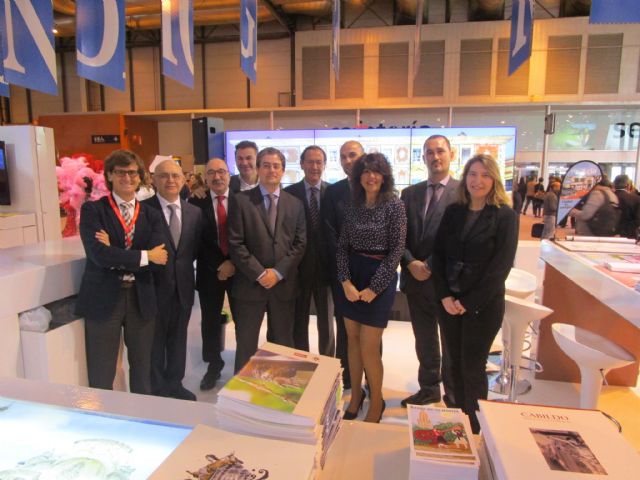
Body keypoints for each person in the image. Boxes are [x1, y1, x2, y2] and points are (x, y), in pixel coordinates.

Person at [431, 154, 518, 433]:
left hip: (482, 306)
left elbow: (500, 267)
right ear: (465, 177)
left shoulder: (505, 216)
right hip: (449, 302)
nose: (477, 180)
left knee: (472, 367)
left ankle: (476, 427)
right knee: (453, 365)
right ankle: (456, 421)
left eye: (484, 175)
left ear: (494, 180)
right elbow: (438, 255)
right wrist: (445, 296)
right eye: (472, 174)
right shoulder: (454, 211)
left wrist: (468, 302)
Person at [76, 149, 168, 394]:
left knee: (142, 368)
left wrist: (114, 251)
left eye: (133, 173)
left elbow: (160, 258)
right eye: (120, 172)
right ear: (109, 175)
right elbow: (99, 255)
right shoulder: (93, 211)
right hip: (104, 297)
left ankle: (140, 414)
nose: (127, 177)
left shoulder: (152, 214)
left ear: (140, 176)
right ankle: (104, 415)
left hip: (141, 297)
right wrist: (145, 255)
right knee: (101, 372)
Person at [336, 153, 407, 423]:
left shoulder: (395, 205)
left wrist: (374, 289)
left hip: (380, 278)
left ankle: (377, 401)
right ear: (359, 177)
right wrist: (345, 281)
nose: (371, 176)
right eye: (365, 171)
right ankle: (356, 397)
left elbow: (396, 251)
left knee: (369, 347)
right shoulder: (352, 205)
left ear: (384, 176)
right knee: (352, 343)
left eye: (376, 171)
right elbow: (342, 247)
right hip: (352, 278)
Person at [228, 147, 307, 372]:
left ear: (283, 170)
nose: (271, 170)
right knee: (246, 343)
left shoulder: (295, 203)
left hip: (284, 285)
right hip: (250, 284)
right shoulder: (241, 201)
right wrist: (261, 273)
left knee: (282, 341)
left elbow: (300, 243)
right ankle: (242, 389)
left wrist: (278, 272)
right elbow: (236, 243)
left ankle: (281, 386)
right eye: (266, 165)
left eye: (276, 166)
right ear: (258, 168)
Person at [400, 135, 459, 408]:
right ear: (423, 157)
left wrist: (430, 265)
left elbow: (461, 239)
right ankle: (429, 388)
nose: (435, 157)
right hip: (415, 282)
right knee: (424, 340)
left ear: (451, 155)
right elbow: (399, 236)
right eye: (430, 152)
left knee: (451, 342)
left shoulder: (463, 192)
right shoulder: (409, 194)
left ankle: (454, 395)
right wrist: (411, 262)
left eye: (440, 151)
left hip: (448, 283)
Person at [143, 160, 203, 400]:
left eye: (176, 176)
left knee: (178, 339)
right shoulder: (143, 210)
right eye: (164, 176)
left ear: (183, 179)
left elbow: (194, 250)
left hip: (183, 288)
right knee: (155, 342)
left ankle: (175, 384)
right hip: (153, 289)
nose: (170, 180)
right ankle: (157, 388)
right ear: (153, 180)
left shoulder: (194, 213)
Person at [189, 158, 236, 390]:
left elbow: (249, 236)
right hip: (209, 272)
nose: (217, 177)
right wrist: (220, 264)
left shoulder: (242, 199)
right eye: (211, 173)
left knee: (244, 321)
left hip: (239, 271)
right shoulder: (195, 202)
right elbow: (196, 239)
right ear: (205, 177)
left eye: (221, 172)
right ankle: (213, 365)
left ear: (229, 175)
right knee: (209, 321)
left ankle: (243, 366)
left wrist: (232, 262)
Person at [284, 146, 335, 355]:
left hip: (326, 270)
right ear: (302, 164)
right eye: (310, 162)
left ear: (324, 165)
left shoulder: (333, 192)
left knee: (327, 322)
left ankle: (328, 363)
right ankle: (301, 361)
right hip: (298, 269)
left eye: (319, 162)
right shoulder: (289, 193)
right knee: (299, 320)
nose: (315, 166)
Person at [323, 140, 365, 389]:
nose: (348, 160)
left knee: (371, 329)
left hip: (371, 273)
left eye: (352, 155)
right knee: (344, 326)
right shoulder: (334, 192)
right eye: (343, 156)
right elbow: (330, 234)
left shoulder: (378, 188)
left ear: (364, 156)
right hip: (343, 273)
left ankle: (371, 376)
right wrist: (344, 273)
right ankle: (346, 376)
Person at [613, 174, 640, 239]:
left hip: (608, 234)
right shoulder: (636, 199)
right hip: (629, 236)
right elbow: (638, 220)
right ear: (628, 185)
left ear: (614, 185)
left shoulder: (608, 197)